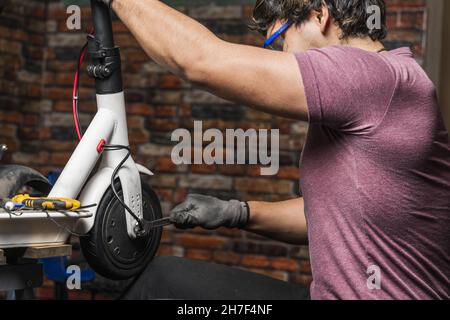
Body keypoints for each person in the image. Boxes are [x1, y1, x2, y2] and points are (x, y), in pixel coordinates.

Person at [98, 0, 450, 300]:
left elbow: (200, 61)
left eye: (280, 38)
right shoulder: (387, 83)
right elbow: (330, 215)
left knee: (158, 284)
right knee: (167, 280)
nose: (281, 52)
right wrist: (237, 212)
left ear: (319, 14)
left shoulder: (371, 77)